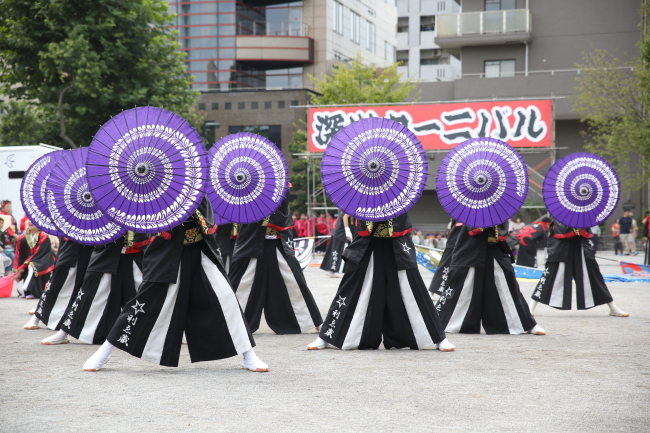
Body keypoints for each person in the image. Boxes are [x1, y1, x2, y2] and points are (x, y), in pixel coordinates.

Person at [82, 197, 268, 372]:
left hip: (200, 251)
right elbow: (146, 222)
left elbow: (208, 221)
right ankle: (104, 351)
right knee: (144, 304)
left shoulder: (194, 184)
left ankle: (248, 355)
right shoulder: (156, 190)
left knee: (226, 297)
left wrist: (192, 207)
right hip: (166, 256)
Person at [307, 213, 455, 352]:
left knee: (413, 290)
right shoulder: (364, 191)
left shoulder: (398, 190)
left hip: (397, 244)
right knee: (350, 289)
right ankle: (326, 337)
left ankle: (438, 338)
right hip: (368, 243)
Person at [229, 196, 323, 334]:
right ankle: (229, 322)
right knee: (241, 283)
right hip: (252, 245)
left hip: (278, 244)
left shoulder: (279, 193)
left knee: (295, 282)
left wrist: (266, 212)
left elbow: (282, 219)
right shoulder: (245, 196)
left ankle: (311, 320)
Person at [38, 232, 148, 345]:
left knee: (143, 299)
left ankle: (144, 336)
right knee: (88, 296)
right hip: (106, 256)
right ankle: (63, 332)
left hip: (134, 257)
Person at [435, 223, 546, 336]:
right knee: (462, 287)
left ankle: (526, 324)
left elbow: (502, 233)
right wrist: (483, 222)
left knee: (507, 285)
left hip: (495, 248)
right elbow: (472, 230)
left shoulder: (497, 209)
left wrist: (494, 224)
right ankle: (441, 322)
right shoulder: (471, 208)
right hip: (470, 249)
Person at [529, 221, 628, 317]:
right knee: (549, 276)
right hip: (561, 248)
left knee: (594, 276)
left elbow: (588, 231)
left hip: (582, 247)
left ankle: (613, 308)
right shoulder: (560, 213)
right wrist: (573, 228)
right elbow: (559, 230)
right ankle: (531, 307)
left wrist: (579, 228)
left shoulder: (583, 213)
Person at [24, 237, 93, 329]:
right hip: (68, 254)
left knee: (78, 293)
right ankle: (36, 317)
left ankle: (66, 321)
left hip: (86, 257)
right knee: (53, 288)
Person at [12, 220, 55, 299]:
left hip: (44, 259)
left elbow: (40, 253)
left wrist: (24, 265)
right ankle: (27, 290)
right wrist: (18, 269)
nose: (30, 222)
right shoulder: (22, 237)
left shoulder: (43, 236)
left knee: (33, 265)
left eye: (33, 221)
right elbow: (19, 254)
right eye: (29, 221)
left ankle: (29, 289)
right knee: (31, 265)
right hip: (29, 262)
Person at [428, 220, 462, 299]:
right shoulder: (460, 212)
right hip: (454, 242)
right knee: (445, 267)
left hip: (466, 243)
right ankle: (432, 290)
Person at [320, 213, 354, 277]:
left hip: (339, 232)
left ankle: (331, 270)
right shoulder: (352, 206)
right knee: (340, 252)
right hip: (342, 233)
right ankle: (332, 270)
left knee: (336, 251)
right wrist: (347, 230)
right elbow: (345, 217)